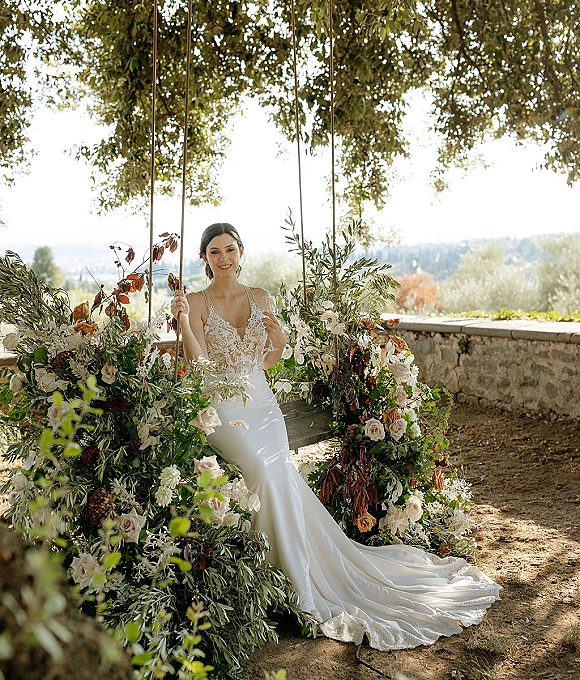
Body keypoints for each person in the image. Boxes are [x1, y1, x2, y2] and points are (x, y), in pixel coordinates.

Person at [170, 222, 500, 651]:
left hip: (263, 406)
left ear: (242, 251)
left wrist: (281, 339)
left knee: (277, 471)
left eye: (229, 249)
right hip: (225, 407)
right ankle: (287, 578)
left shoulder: (261, 298)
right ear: (204, 258)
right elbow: (199, 366)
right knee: (267, 473)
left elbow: (267, 361)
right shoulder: (194, 302)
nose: (223, 258)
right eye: (214, 252)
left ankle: (290, 575)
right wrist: (183, 324)